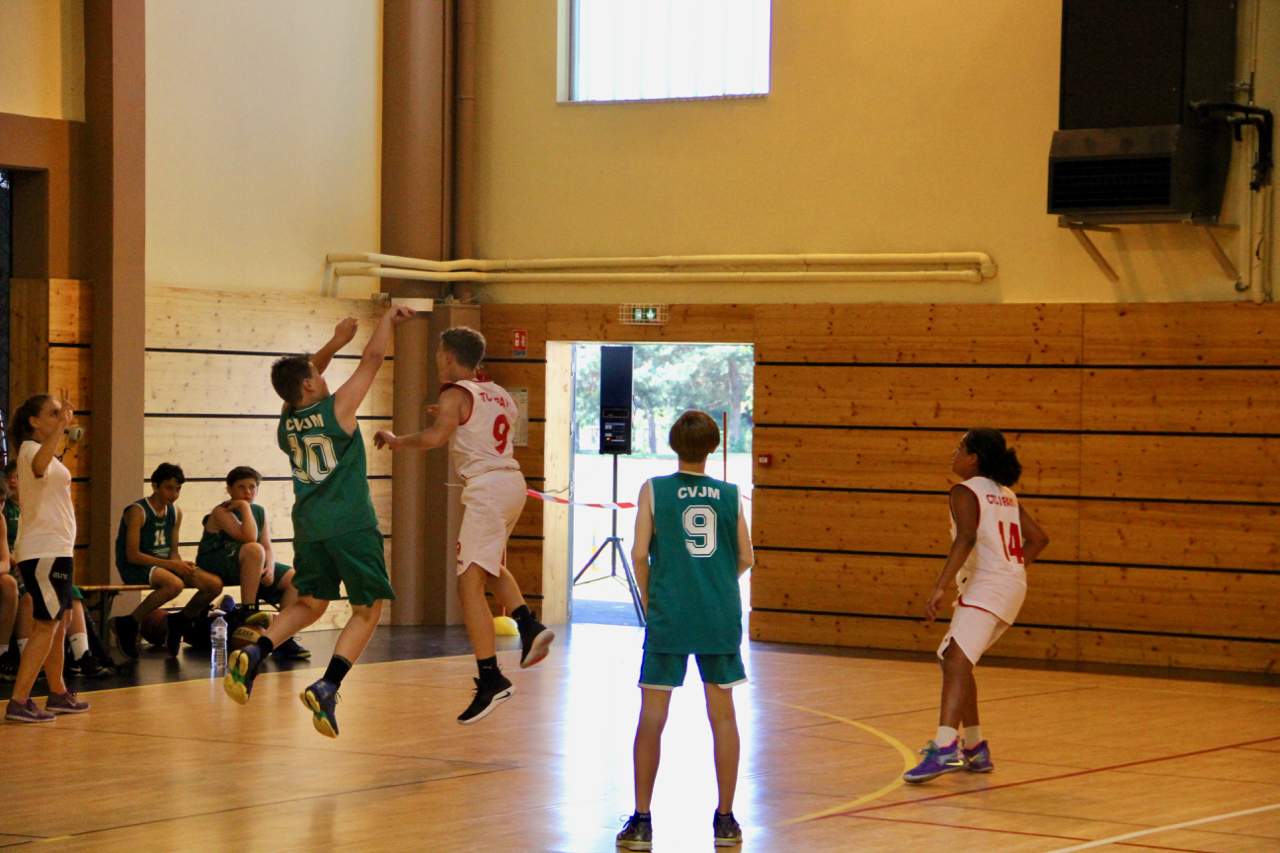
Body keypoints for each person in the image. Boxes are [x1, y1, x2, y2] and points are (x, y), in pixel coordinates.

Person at [224, 307, 414, 738]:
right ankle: (328, 685)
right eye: (317, 374)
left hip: (309, 526)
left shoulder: (287, 423)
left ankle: (255, 653)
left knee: (309, 604)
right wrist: (387, 320)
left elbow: (300, 379)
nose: (322, 375)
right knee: (368, 609)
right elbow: (372, 361)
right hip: (350, 524)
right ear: (311, 384)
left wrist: (333, 343)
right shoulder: (337, 410)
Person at [374, 326, 554, 725]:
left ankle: (491, 678)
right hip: (512, 484)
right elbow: (480, 427)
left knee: (467, 583)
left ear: (447, 356)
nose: (437, 360)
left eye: (439, 354)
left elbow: (436, 439)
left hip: (487, 488)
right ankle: (529, 625)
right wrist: (450, 416)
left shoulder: (454, 393)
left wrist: (397, 440)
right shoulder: (500, 393)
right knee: (487, 566)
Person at [616, 410, 754, 851]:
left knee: (652, 716)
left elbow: (639, 553)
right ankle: (726, 821)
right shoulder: (730, 494)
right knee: (724, 717)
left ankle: (641, 822)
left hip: (670, 614)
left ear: (673, 444)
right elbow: (746, 557)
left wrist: (650, 596)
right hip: (718, 615)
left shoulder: (653, 489)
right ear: (713, 447)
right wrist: (715, 583)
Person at [902, 428, 1049, 784]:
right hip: (1010, 586)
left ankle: (945, 749)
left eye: (959, 448)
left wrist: (939, 587)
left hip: (989, 586)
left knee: (955, 659)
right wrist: (1010, 569)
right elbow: (1039, 539)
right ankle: (974, 746)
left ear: (973, 459)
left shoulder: (965, 491)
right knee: (955, 659)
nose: (953, 454)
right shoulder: (1006, 495)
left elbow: (966, 537)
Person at [5, 391, 90, 722]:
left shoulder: (46, 453)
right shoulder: (30, 450)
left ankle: (58, 692)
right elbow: (40, 466)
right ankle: (19, 700)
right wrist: (61, 428)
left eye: (61, 412)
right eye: (53, 413)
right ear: (34, 421)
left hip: (57, 549)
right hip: (43, 551)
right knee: (46, 624)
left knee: (61, 620)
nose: (61, 416)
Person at [196, 465, 309, 659]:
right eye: (241, 487)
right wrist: (243, 507)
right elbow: (249, 537)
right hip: (214, 561)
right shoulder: (221, 511)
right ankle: (247, 611)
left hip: (247, 561)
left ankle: (283, 637)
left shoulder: (259, 511)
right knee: (253, 549)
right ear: (229, 490)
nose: (247, 492)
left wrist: (270, 569)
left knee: (293, 578)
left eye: (252, 487)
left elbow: (267, 547)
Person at [113, 463, 223, 659]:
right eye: (169, 488)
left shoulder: (175, 512)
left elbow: (173, 552)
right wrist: (173, 565)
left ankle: (180, 621)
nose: (174, 494)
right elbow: (133, 555)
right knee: (175, 584)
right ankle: (128, 623)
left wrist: (180, 564)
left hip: (162, 566)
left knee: (213, 585)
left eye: (178, 489)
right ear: (155, 486)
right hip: (135, 566)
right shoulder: (138, 511)